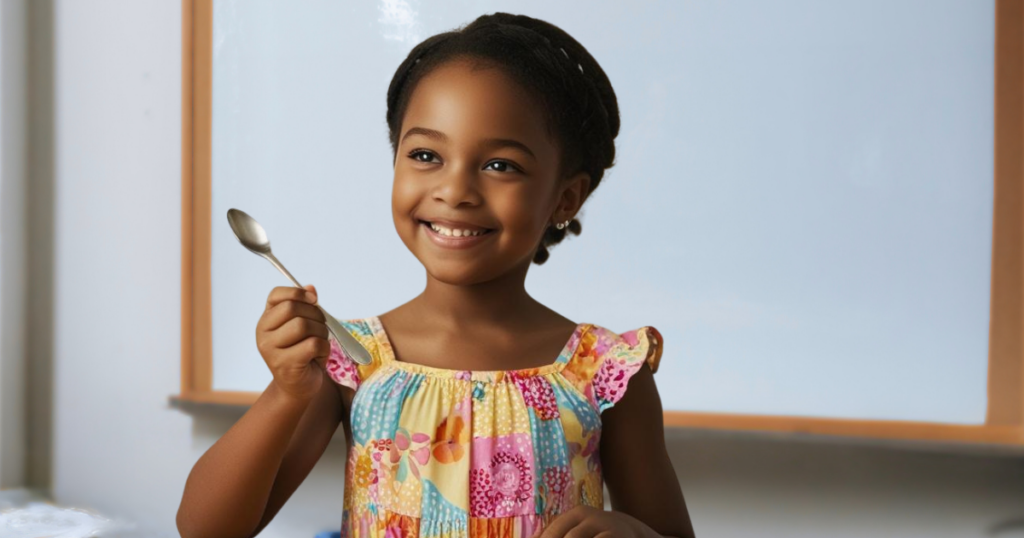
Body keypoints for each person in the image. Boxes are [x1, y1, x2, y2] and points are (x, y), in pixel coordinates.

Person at [177, 12, 695, 538]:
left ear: (566, 197)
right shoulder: (349, 362)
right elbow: (203, 530)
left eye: (500, 165)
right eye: (426, 155)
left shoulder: (605, 372)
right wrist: (285, 394)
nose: (455, 190)